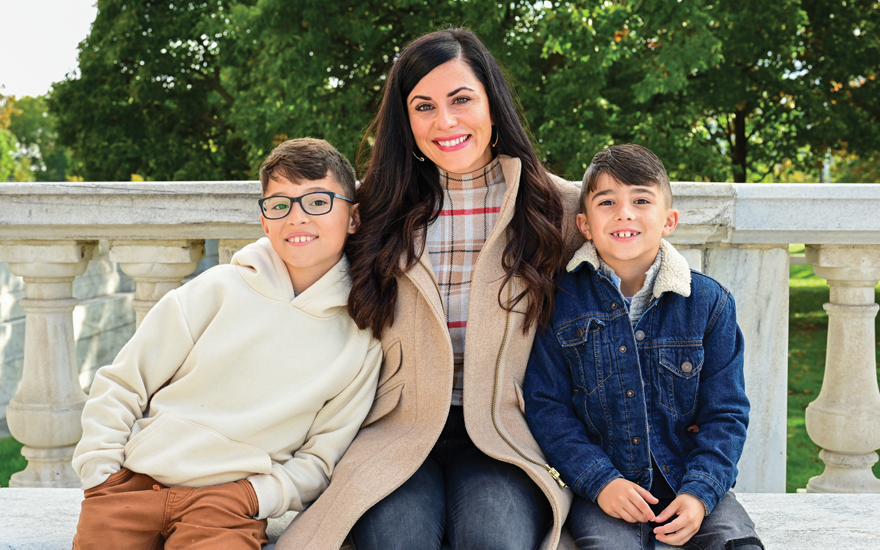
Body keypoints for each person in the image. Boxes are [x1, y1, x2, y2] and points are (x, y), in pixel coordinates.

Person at [275, 28, 583, 550]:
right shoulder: (372, 209)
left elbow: (647, 268)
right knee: (397, 540)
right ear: (405, 119)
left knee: (493, 540)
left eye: (461, 99)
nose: (445, 121)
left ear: (492, 102)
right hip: (396, 429)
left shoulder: (560, 207)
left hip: (508, 433)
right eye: (424, 106)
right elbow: (284, 250)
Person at [71, 138, 382, 550]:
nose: (297, 217)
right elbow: (123, 382)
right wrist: (101, 472)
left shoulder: (361, 337)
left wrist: (255, 496)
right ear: (264, 221)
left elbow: (321, 459)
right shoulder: (216, 289)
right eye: (280, 204)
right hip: (133, 485)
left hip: (229, 504)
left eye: (318, 202)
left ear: (353, 217)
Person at [524, 144, 763, 550]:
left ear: (668, 220)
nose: (625, 213)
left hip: (688, 480)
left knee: (736, 543)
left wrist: (700, 493)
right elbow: (548, 409)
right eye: (607, 201)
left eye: (641, 200)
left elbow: (726, 412)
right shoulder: (560, 302)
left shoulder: (708, 304)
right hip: (605, 487)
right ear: (584, 223)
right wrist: (600, 481)